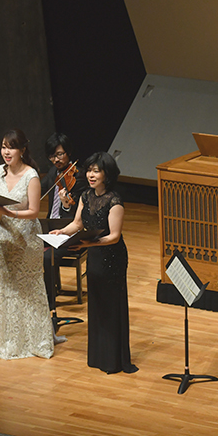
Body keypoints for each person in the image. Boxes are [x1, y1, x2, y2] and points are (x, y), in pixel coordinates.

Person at [50, 152, 137, 374]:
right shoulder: (86, 196)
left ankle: (115, 360)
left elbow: (114, 236)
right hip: (95, 254)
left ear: (107, 174)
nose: (90, 174)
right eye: (89, 170)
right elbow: (77, 224)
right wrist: (62, 231)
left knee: (111, 306)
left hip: (112, 257)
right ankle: (99, 356)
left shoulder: (114, 200)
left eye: (96, 171)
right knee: (97, 304)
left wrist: (87, 244)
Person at [0, 129, 55, 360]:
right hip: (6, 236)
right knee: (8, 287)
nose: (6, 152)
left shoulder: (32, 176)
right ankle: (12, 340)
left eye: (11, 147)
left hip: (27, 237)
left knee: (29, 287)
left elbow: (35, 211)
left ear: (22, 150)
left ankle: (38, 339)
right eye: (4, 146)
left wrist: (9, 212)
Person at [40, 133, 87, 311]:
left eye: (60, 154)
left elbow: (78, 214)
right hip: (51, 229)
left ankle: (48, 302)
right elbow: (40, 186)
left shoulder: (80, 177)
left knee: (47, 256)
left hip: (71, 233)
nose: (56, 159)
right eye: (52, 156)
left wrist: (67, 204)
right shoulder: (54, 172)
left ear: (68, 153)